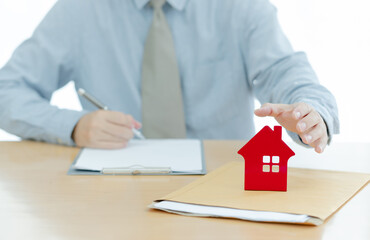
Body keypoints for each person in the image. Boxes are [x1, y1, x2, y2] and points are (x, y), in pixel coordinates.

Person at [0, 0, 339, 153]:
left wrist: (310, 112)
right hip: (115, 186)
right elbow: (7, 90)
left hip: (223, 185)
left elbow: (285, 69)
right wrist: (73, 127)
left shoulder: (242, 7)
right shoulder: (79, 10)